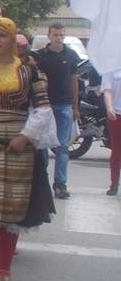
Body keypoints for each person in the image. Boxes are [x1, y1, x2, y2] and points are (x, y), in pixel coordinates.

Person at [0, 17, 57, 281]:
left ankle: (4, 268)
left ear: (12, 39)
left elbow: (42, 107)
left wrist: (24, 135)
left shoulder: (30, 71)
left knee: (12, 202)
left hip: (19, 146)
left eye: (1, 36)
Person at [34, 23, 81, 199]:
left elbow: (74, 81)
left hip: (64, 105)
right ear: (49, 36)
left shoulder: (71, 55)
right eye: (55, 35)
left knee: (62, 146)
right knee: (43, 145)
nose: (58, 38)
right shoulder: (40, 56)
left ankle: (60, 184)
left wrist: (75, 106)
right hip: (45, 105)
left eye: (61, 35)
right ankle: (42, 181)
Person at [102, 69, 121, 196]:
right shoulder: (111, 69)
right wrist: (109, 107)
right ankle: (114, 183)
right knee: (117, 150)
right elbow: (107, 90)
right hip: (116, 114)